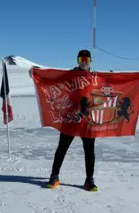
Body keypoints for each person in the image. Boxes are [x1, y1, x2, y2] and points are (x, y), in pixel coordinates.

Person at [40, 49, 98, 191]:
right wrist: (36, 74)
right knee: (62, 147)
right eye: (81, 60)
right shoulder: (69, 76)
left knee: (89, 150)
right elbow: (51, 80)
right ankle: (54, 176)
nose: (84, 63)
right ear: (77, 61)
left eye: (87, 60)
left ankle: (89, 179)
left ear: (90, 61)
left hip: (88, 118)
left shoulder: (95, 77)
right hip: (70, 117)